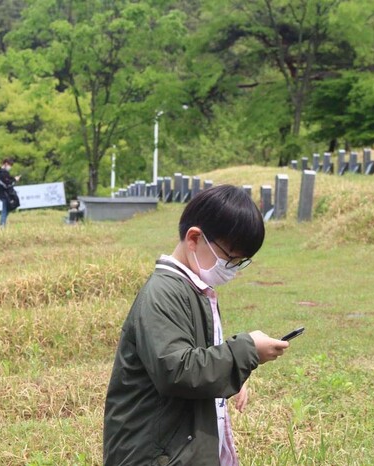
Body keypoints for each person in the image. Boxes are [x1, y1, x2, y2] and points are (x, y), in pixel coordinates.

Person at [103, 185, 290, 465]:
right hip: (153, 453)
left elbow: (200, 354)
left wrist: (231, 375)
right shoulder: (163, 293)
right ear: (194, 238)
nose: (233, 270)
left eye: (240, 263)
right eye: (229, 259)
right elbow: (176, 370)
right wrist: (246, 352)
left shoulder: (193, 289)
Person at [0, 158, 20, 228]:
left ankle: (2, 224)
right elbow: (7, 182)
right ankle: (2, 225)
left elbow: (8, 179)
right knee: (5, 210)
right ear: (6, 164)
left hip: (3, 194)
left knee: (6, 209)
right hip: (4, 194)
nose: (10, 167)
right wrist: (15, 179)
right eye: (10, 165)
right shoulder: (3, 172)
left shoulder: (1, 172)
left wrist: (14, 179)